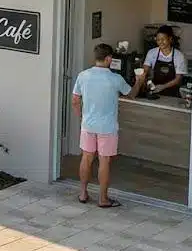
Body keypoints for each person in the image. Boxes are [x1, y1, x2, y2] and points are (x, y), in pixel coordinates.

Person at [73, 42, 132, 208]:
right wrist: (140, 80)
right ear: (108, 58)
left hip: (88, 125)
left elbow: (75, 101)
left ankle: (83, 193)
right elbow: (131, 94)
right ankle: (103, 199)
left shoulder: (83, 75)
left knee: (86, 158)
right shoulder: (115, 79)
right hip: (107, 127)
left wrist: (82, 118)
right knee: (104, 161)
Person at [131, 24, 186, 101]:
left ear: (170, 39)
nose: (160, 42)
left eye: (163, 39)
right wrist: (146, 83)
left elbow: (178, 79)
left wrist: (163, 86)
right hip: (156, 92)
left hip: (173, 95)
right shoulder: (152, 53)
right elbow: (144, 72)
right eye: (158, 39)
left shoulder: (178, 56)